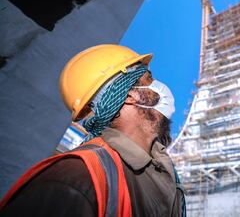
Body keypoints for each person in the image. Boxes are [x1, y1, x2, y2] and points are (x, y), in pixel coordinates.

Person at [0, 44, 186, 217]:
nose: (159, 85)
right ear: (130, 95)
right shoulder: (74, 176)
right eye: (150, 79)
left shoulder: (165, 175)